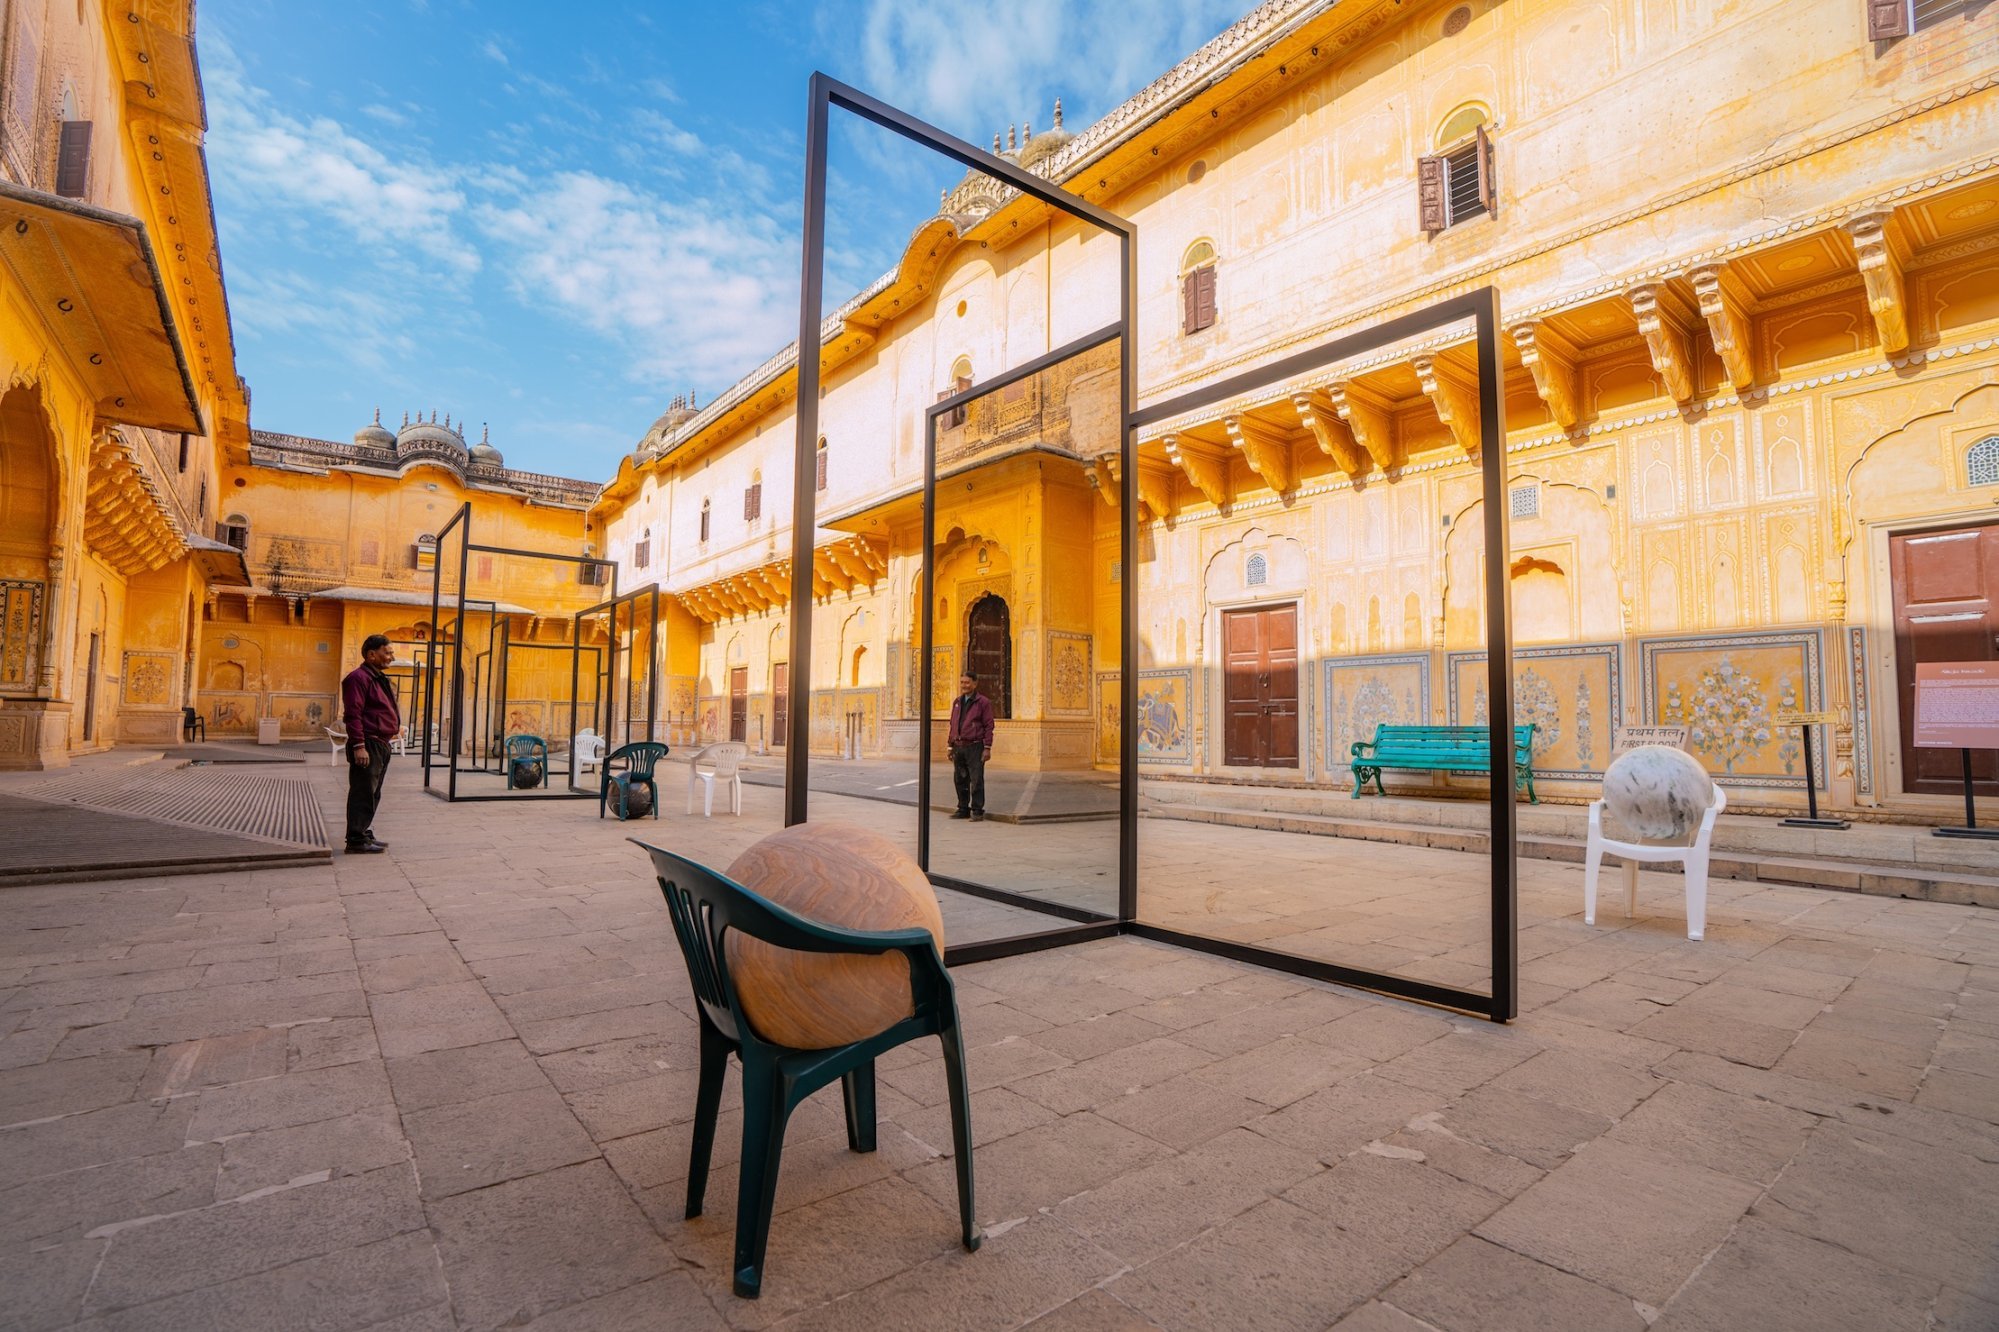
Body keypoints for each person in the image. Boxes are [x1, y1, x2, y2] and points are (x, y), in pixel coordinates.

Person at [341, 634, 401, 853]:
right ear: (371, 654)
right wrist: (359, 745)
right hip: (368, 742)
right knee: (362, 792)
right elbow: (353, 714)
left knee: (373, 792)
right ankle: (355, 840)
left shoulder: (375, 677)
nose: (391, 658)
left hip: (380, 743)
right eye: (388, 653)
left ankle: (363, 833)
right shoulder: (358, 678)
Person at [947, 672, 994, 822]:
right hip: (959, 745)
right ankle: (963, 808)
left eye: (967, 682)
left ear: (975, 684)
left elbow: (989, 725)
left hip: (975, 746)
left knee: (976, 779)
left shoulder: (983, 702)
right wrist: (950, 745)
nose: (964, 685)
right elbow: (953, 724)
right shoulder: (957, 702)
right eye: (962, 682)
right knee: (960, 779)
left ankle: (977, 810)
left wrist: (987, 747)